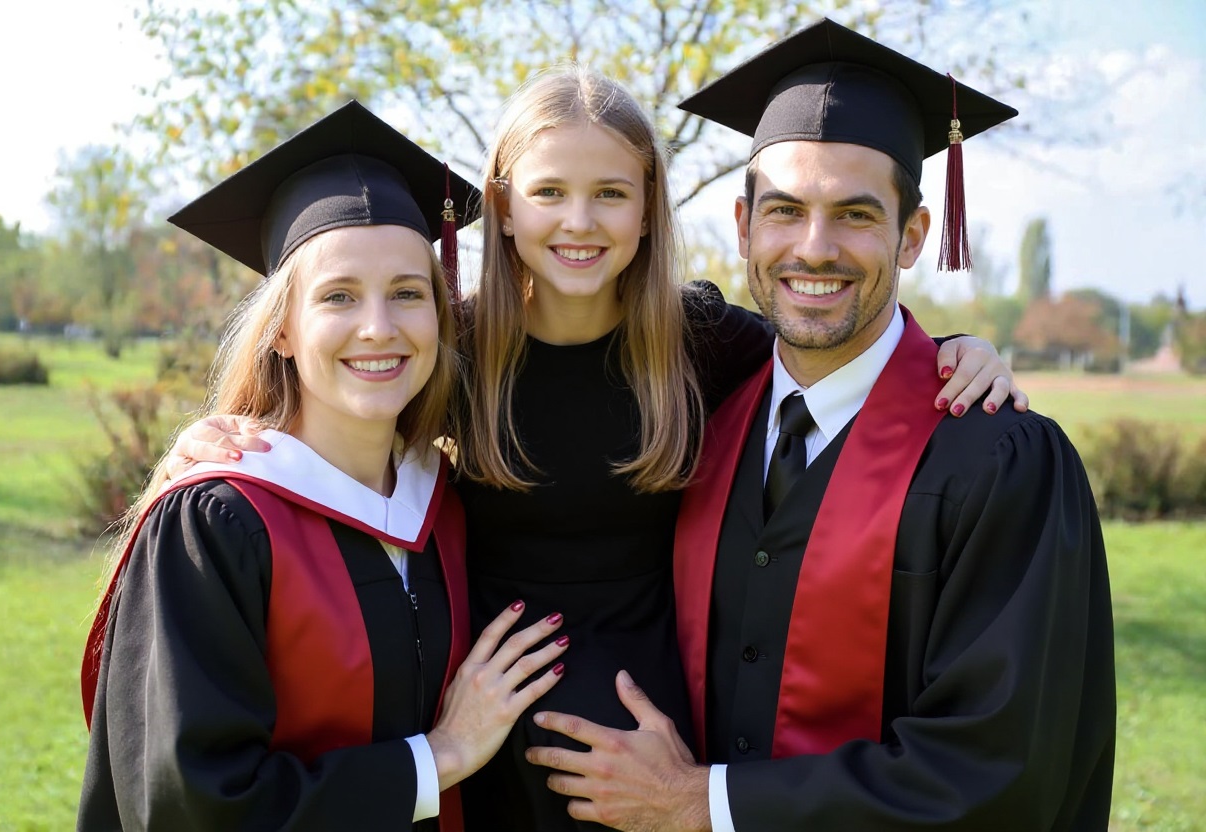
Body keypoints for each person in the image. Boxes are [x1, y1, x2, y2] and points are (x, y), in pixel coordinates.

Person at [164, 67, 1028, 831]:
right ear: (501, 206)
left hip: (657, 745)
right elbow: (334, 415)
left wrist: (958, 349)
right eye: (549, 192)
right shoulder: (456, 352)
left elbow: (832, 342)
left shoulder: (700, 344)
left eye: (611, 193)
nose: (579, 222)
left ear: (649, 207)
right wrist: (217, 440)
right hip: (486, 741)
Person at [523, 20, 1116, 832]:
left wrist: (702, 802)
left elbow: (1001, 770)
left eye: (855, 214)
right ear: (743, 226)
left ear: (912, 236)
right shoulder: (704, 422)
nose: (814, 248)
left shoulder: (999, 461)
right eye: (786, 210)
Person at [77, 101, 574, 832]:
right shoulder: (217, 527)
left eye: (408, 293)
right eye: (339, 296)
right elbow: (194, 805)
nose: (379, 327)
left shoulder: (446, 504)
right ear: (281, 328)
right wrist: (438, 758)